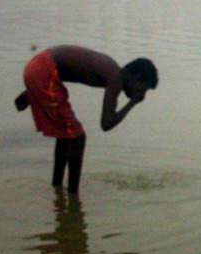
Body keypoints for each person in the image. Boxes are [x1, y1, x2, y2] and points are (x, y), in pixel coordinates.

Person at [14, 45, 158, 193]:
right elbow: (106, 124)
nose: (142, 95)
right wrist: (132, 103)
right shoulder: (115, 78)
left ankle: (57, 189)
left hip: (40, 68)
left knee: (66, 135)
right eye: (143, 89)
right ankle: (73, 196)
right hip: (43, 70)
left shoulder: (112, 71)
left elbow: (66, 66)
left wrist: (30, 92)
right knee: (77, 138)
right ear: (136, 78)